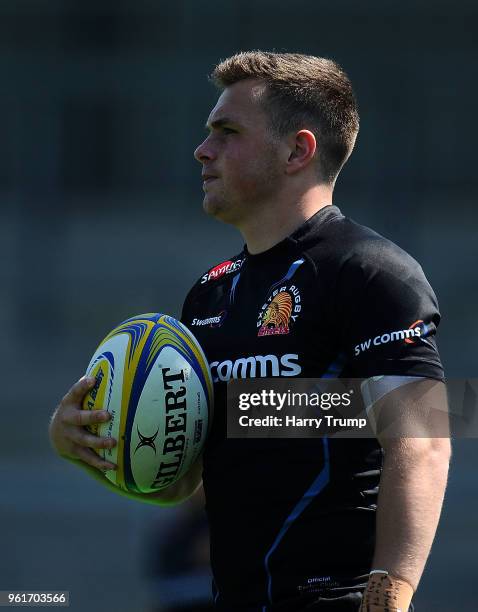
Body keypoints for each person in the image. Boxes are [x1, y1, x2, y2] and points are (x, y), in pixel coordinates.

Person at [49, 51, 451, 611]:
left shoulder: (369, 270)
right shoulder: (210, 293)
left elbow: (426, 436)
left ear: (297, 150)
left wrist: (389, 595)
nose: (202, 150)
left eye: (227, 131)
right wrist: (88, 445)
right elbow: (181, 482)